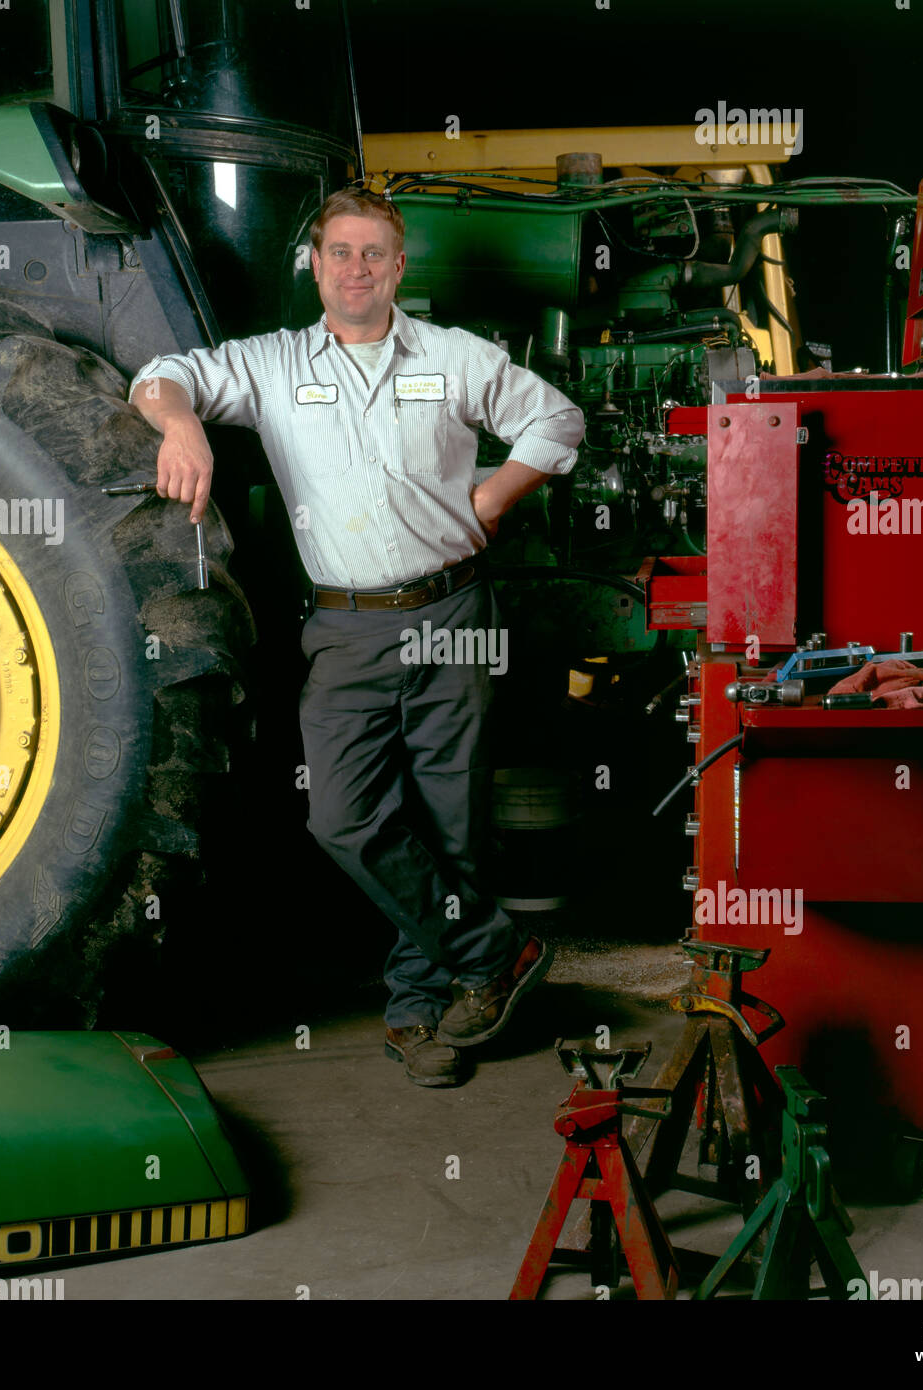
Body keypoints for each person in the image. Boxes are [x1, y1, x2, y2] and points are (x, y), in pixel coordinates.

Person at [129, 187, 583, 1086]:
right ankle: (498, 952)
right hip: (344, 627)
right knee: (344, 818)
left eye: (373, 254)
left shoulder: (452, 359)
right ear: (316, 264)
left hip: (453, 614)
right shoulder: (272, 365)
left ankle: (421, 1013)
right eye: (339, 252)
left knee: (447, 824)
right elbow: (161, 371)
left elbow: (557, 418)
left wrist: (493, 495)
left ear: (399, 267)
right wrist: (182, 422)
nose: (355, 269)